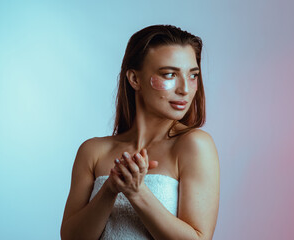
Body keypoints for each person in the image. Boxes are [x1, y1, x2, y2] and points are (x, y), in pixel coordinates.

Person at [60, 24, 220, 240]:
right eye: (170, 74)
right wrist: (109, 189)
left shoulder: (194, 145)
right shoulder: (93, 151)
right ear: (135, 79)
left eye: (193, 75)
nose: (184, 88)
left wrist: (137, 192)